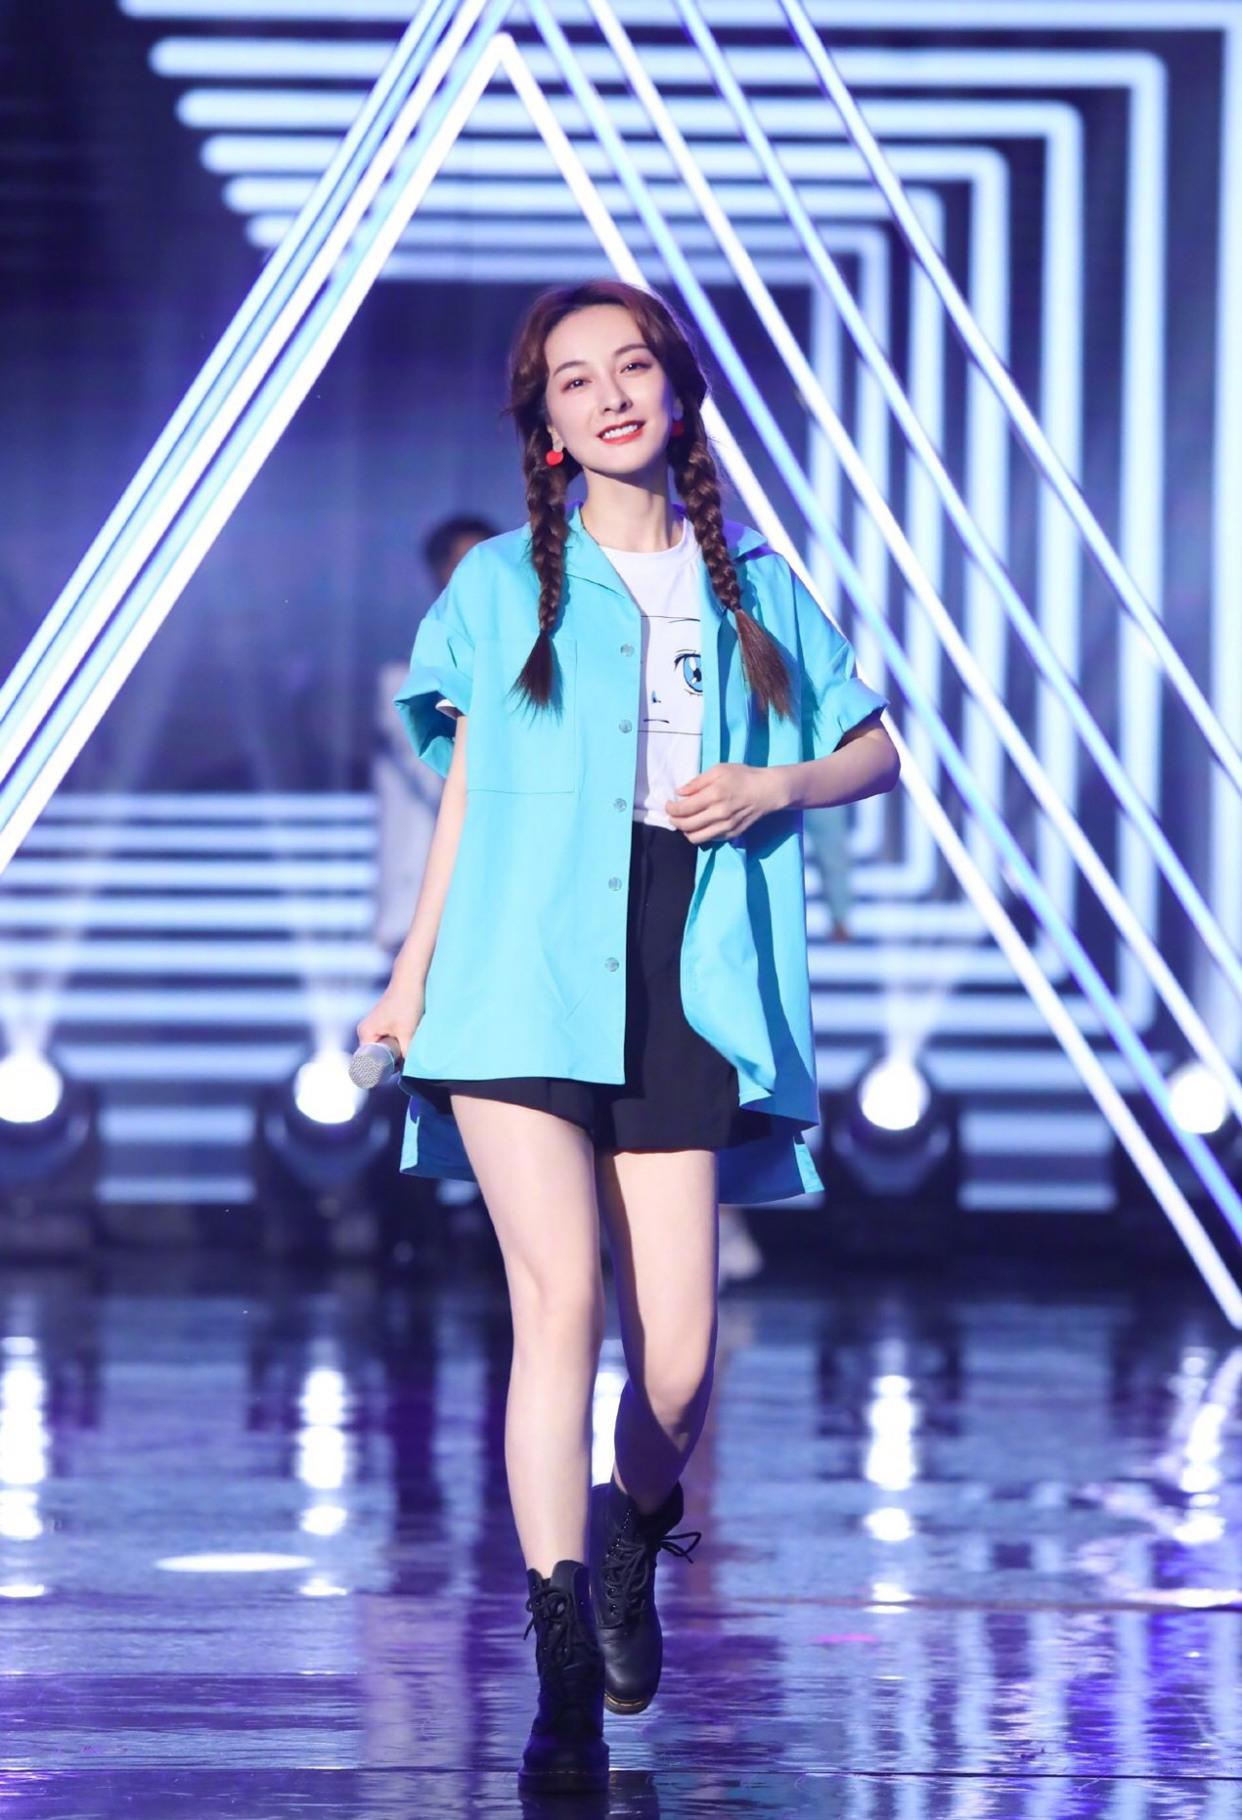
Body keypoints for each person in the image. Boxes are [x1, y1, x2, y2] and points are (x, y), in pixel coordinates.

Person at [356, 278, 899, 1795]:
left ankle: (627, 1536)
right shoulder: (497, 588)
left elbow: (874, 747)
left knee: (679, 1357)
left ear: (676, 390)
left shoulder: (753, 583)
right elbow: (465, 791)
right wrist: (411, 976)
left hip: (685, 963)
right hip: (517, 963)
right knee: (561, 1303)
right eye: (572, 380)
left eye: (631, 367)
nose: (607, 395)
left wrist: (777, 785)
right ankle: (558, 1665)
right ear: (542, 423)